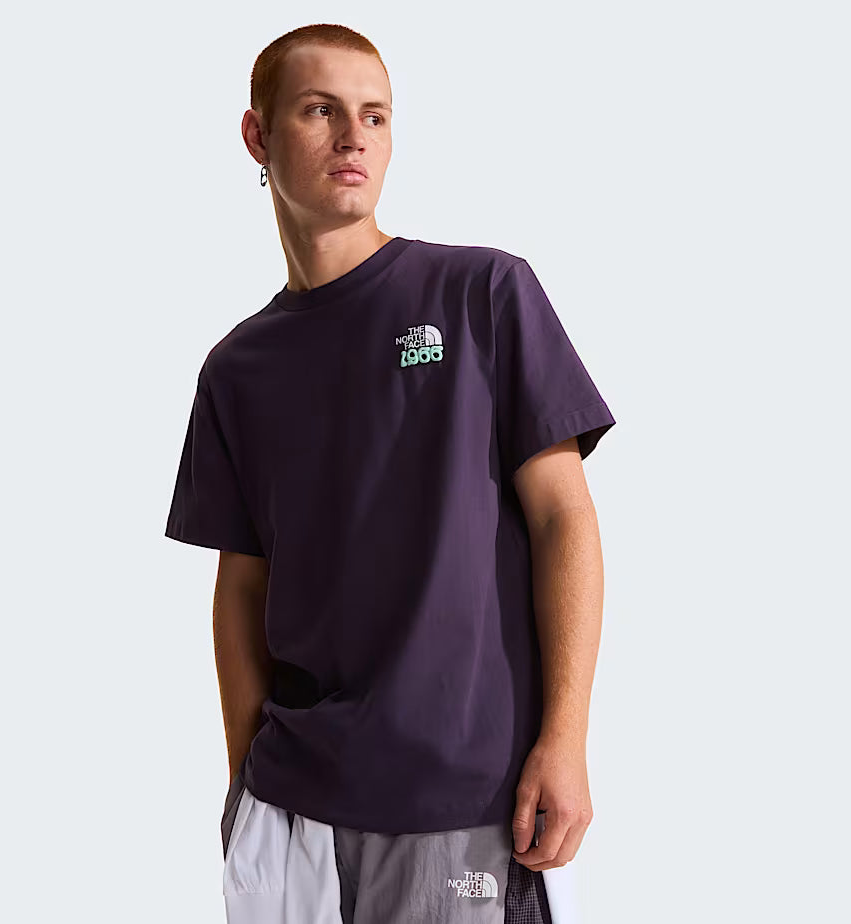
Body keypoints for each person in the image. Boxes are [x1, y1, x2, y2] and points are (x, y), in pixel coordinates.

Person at [164, 22, 616, 924]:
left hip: (463, 797)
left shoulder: (485, 294)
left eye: (374, 115)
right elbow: (242, 583)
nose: (354, 137)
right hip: (292, 809)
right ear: (257, 135)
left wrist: (565, 740)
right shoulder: (237, 368)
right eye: (320, 110)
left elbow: (564, 519)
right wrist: (244, 781)